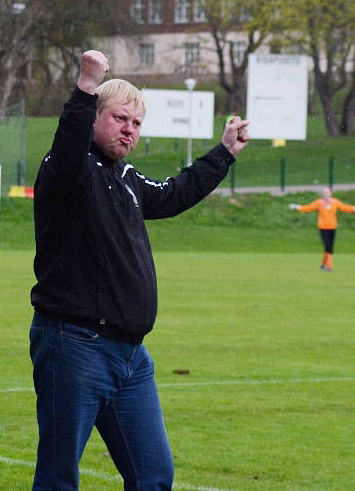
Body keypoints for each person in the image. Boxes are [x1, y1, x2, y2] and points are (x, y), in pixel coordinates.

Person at [29, 50, 249, 490]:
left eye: (136, 124)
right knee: (58, 479)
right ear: (93, 118)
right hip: (75, 345)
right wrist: (86, 85)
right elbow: (69, 147)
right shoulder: (68, 168)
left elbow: (173, 193)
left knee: (153, 476)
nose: (129, 130)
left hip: (130, 356)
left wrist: (223, 154)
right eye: (119, 119)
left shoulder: (124, 177)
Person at [289, 186, 355, 272]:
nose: (325, 194)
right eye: (323, 193)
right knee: (327, 246)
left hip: (332, 227)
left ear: (330, 193)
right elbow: (307, 208)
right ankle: (329, 266)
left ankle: (323, 264)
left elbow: (346, 208)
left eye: (326, 192)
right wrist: (296, 207)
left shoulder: (335, 202)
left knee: (329, 247)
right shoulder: (319, 202)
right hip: (323, 227)